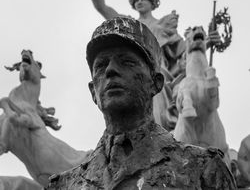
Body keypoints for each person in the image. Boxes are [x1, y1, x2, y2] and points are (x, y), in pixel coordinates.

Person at [48, 17, 236, 189]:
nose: (110, 70)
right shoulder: (63, 185)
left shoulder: (204, 170)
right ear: (93, 92)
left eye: (127, 62)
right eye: (101, 65)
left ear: (156, 83)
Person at [85, 0, 220, 131]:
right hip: (131, 71)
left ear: (152, 2)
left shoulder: (163, 27)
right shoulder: (128, 24)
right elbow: (102, 7)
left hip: (159, 73)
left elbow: (187, 50)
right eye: (136, 0)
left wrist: (206, 42)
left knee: (157, 97)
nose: (140, 2)